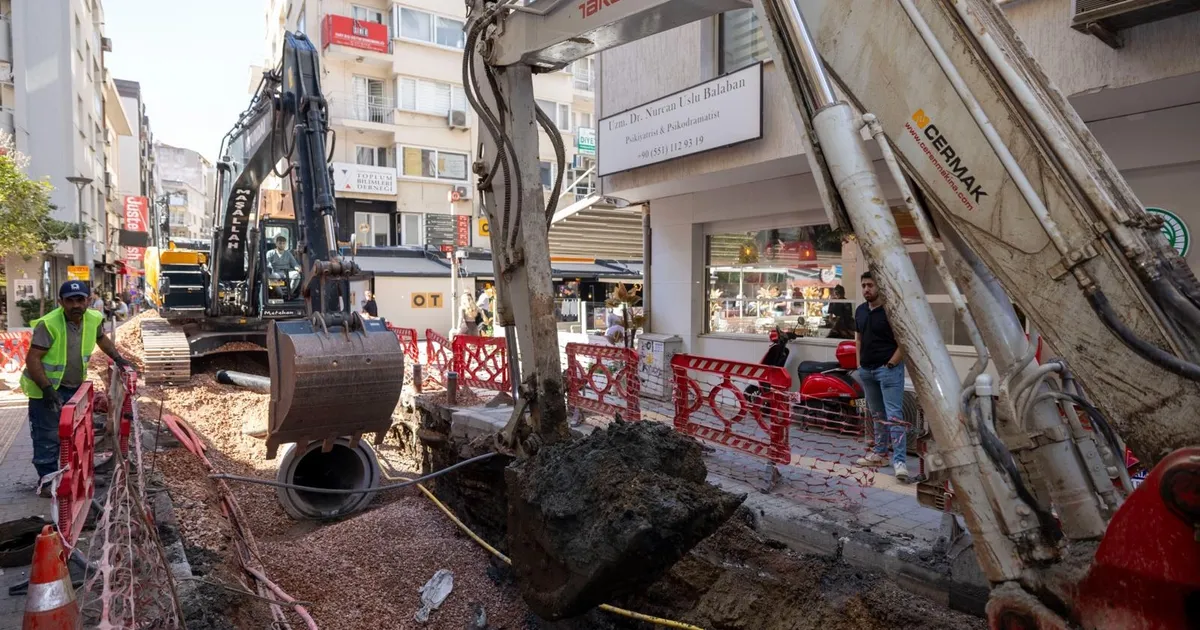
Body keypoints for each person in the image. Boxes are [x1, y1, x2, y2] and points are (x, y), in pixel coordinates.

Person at [21, 281, 133, 495]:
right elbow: (33, 359)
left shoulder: (93, 319)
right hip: (44, 389)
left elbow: (101, 339)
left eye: (80, 300)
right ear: (61, 302)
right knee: (47, 436)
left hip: (74, 388)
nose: (76, 305)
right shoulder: (49, 324)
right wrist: (46, 388)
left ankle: (77, 478)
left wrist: (119, 359)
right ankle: (47, 482)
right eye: (70, 300)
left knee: (77, 435)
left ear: (88, 300)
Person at [853, 271, 908, 481]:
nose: (867, 289)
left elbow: (904, 341)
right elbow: (858, 339)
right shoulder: (860, 311)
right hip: (867, 370)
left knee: (894, 417)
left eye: (870, 285)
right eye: (864, 285)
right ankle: (880, 454)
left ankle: (900, 461)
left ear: (879, 287)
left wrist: (892, 362)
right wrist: (859, 365)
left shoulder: (891, 312)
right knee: (877, 415)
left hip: (888, 370)